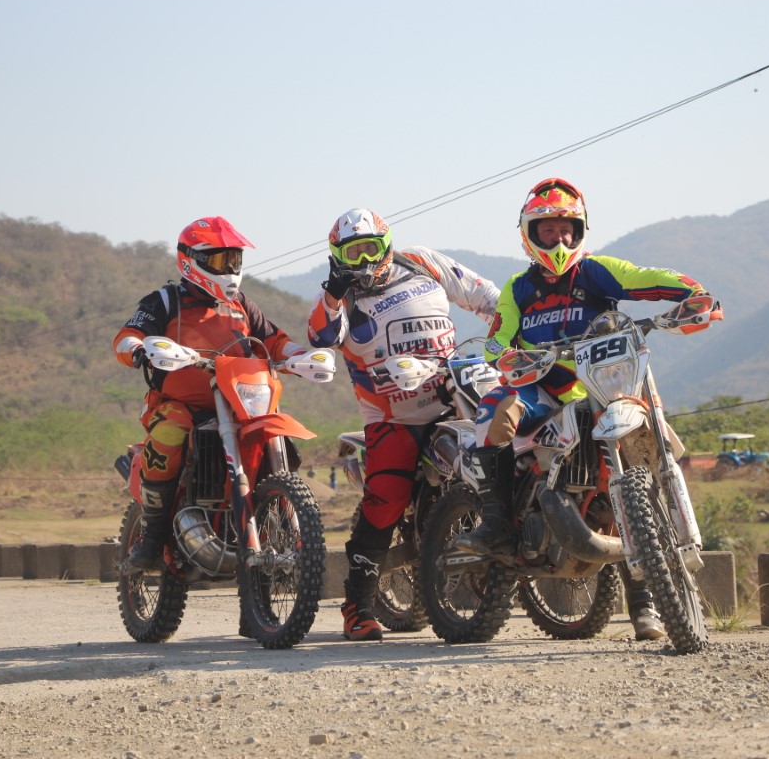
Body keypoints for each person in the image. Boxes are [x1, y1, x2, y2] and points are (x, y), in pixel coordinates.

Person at [455, 178, 721, 641]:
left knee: (634, 480)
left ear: (579, 231)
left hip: (606, 387)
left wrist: (692, 293)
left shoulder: (597, 272)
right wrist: (509, 356)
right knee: (496, 408)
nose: (558, 239)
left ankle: (645, 605)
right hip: (543, 389)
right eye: (547, 230)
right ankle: (496, 521)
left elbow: (646, 278)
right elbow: (497, 340)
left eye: (566, 229)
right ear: (529, 234)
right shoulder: (520, 288)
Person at [308, 208, 500, 641]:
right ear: (337, 256)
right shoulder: (340, 297)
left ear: (387, 244)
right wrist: (333, 296)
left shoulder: (422, 262)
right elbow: (321, 337)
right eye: (352, 253)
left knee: (507, 453)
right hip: (393, 412)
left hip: (455, 389)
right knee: (387, 496)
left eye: (369, 249)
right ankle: (358, 606)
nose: (363, 260)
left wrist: (508, 337)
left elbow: (485, 296)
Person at [113, 216, 318, 569]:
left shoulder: (242, 306)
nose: (230, 269)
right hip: (180, 404)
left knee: (277, 436)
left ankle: (282, 524)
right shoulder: (166, 301)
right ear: (191, 261)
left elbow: (274, 340)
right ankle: (153, 537)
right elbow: (128, 335)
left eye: (235, 260)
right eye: (221, 260)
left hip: (241, 403)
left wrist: (300, 355)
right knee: (170, 433)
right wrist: (138, 349)